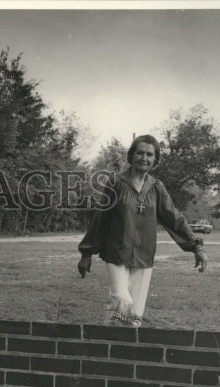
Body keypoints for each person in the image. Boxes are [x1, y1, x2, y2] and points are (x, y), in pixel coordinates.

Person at [77, 135, 207, 327]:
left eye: (149, 154)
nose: (144, 158)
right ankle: (109, 341)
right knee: (121, 299)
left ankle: (127, 347)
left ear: (155, 159)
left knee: (135, 313)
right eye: (140, 153)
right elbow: (100, 218)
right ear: (131, 155)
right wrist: (86, 252)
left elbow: (174, 218)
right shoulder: (116, 183)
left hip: (144, 254)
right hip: (116, 252)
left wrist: (196, 247)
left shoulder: (156, 187)